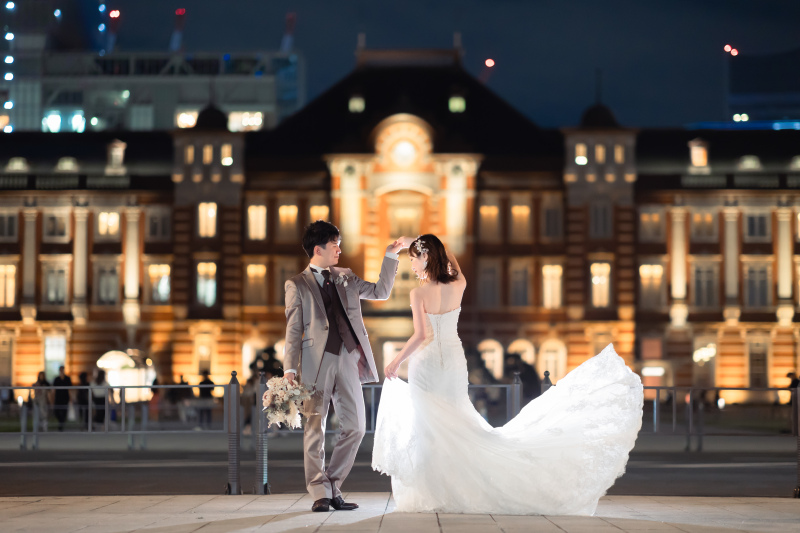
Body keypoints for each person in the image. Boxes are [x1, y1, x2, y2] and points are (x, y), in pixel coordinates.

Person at [373, 235, 644, 516]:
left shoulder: (418, 294)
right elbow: (449, 256)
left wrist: (395, 361)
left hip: (427, 364)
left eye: (413, 258)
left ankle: (435, 489)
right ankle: (455, 486)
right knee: (458, 422)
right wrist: (420, 241)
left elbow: (420, 335)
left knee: (428, 427)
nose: (412, 265)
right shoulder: (459, 284)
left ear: (426, 257)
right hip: (453, 362)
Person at [283, 220, 404, 512]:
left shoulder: (346, 276)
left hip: (349, 357)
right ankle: (320, 492)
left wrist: (390, 255)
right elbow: (293, 330)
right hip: (316, 362)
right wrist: (289, 369)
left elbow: (381, 291)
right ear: (318, 249)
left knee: (357, 427)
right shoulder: (296, 284)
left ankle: (332, 485)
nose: (339, 250)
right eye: (335, 245)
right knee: (315, 427)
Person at [52, 366, 72, 431]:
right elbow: (54, 390)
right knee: (57, 411)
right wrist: (53, 398)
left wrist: (70, 398)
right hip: (58, 398)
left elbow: (69, 389)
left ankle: (61, 425)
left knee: (64, 412)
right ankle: (61, 422)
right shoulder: (56, 379)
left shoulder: (67, 379)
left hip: (65, 398)